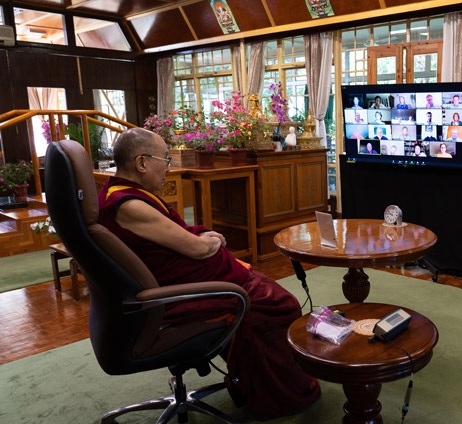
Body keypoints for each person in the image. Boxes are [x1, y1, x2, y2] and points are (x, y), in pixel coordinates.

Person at [96, 128, 320, 419]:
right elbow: (198, 251)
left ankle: (257, 381)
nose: (168, 167)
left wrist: (202, 234)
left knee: (265, 289)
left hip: (168, 283)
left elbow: (172, 237)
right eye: (165, 159)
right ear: (141, 163)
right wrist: (209, 240)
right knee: (279, 305)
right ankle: (280, 395)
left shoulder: (120, 193)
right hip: (171, 300)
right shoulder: (131, 204)